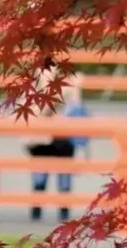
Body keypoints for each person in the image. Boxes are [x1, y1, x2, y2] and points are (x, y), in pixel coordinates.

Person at [27, 72, 90, 223]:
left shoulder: (67, 89)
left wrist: (76, 92)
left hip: (64, 139)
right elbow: (41, 111)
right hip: (41, 141)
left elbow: (78, 115)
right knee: (39, 179)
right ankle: (36, 213)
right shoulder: (31, 90)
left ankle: (64, 214)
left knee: (64, 180)